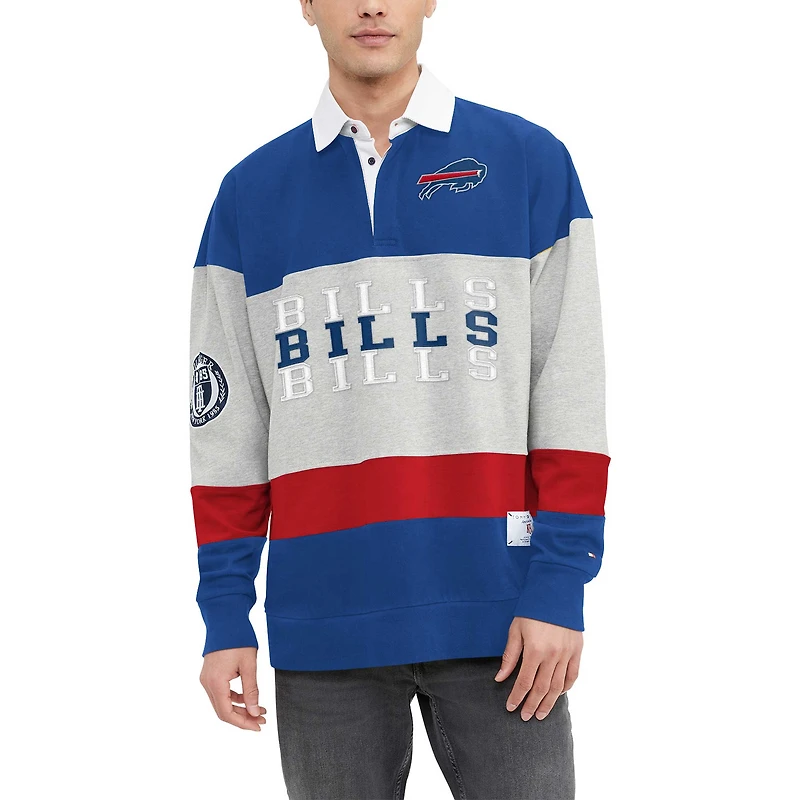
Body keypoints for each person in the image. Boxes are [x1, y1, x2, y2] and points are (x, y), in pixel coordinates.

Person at [189, 1, 610, 797]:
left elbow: (571, 389)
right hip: (324, 623)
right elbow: (227, 426)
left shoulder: (528, 162)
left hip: (502, 615)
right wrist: (224, 611)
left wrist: (561, 581)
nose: (372, 5)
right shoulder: (248, 196)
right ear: (306, 4)